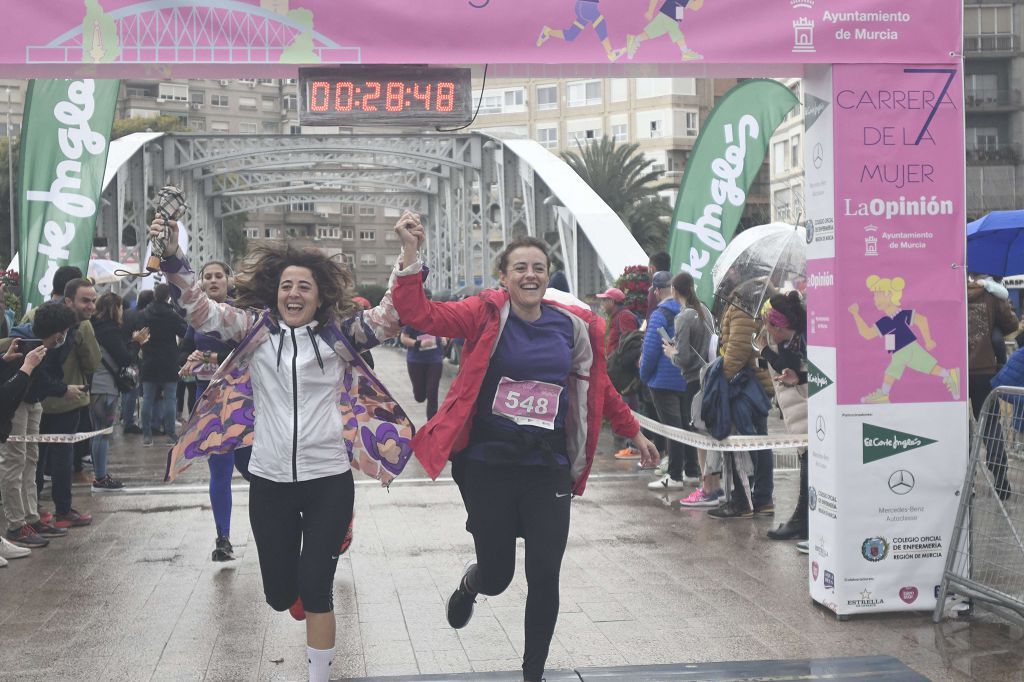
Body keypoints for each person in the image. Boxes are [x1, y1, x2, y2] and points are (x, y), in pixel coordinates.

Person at [150, 212, 417, 682]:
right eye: (286, 286)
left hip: (329, 481)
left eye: (304, 287)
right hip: (270, 481)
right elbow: (199, 309)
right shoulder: (253, 331)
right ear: (275, 292)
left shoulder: (339, 336)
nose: (294, 294)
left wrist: (408, 254)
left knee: (317, 588)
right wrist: (172, 256)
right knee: (278, 596)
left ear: (320, 296)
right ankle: (296, 592)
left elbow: (391, 316)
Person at [391, 224, 659, 682]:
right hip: (488, 465)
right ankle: (473, 583)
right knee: (498, 576)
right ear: (504, 276)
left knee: (545, 573)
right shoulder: (483, 314)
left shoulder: (570, 326)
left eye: (538, 267)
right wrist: (411, 252)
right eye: (520, 268)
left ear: (548, 276)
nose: (530, 275)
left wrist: (632, 430)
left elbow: (596, 385)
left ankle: (533, 673)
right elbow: (420, 314)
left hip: (546, 466)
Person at [177, 260, 253, 561]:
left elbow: (247, 351)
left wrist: (209, 356)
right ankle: (223, 538)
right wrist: (188, 360)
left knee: (251, 469)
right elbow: (183, 350)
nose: (212, 281)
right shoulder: (197, 317)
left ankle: (287, 512)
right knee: (219, 469)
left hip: (240, 399)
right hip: (207, 397)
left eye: (218, 276)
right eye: (207, 276)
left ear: (228, 280)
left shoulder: (241, 314)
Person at [0, 302, 77, 548]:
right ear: (57, 332)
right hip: (17, 405)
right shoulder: (23, 344)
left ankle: (31, 517)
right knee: (14, 462)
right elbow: (16, 384)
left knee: (31, 460)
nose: (65, 336)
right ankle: (16, 524)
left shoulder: (43, 345)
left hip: (33, 402)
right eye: (64, 331)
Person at [709, 281, 775, 519]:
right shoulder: (762, 301)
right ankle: (762, 499)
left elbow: (738, 349)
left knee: (741, 444)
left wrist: (720, 381)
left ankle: (742, 501)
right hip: (760, 383)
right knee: (760, 441)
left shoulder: (743, 305)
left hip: (743, 386)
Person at [38, 278, 99, 529]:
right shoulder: (81, 326)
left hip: (41, 400)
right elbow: (93, 363)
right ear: (68, 300)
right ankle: (61, 511)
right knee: (57, 458)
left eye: (93, 300)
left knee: (36, 459)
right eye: (85, 300)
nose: (91, 306)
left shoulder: (37, 313)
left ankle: (35, 510)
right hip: (64, 399)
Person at [662, 272, 721, 507]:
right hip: (711, 376)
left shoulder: (684, 317)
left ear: (674, 291)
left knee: (699, 435)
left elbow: (684, 358)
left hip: (694, 381)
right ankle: (714, 486)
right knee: (710, 433)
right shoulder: (704, 310)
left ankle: (706, 489)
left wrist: (671, 353)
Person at [757, 293, 810, 541]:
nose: (766, 331)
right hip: (799, 405)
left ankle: (802, 520)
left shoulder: (806, 340)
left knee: (809, 459)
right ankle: (803, 520)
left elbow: (823, 374)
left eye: (768, 326)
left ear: (779, 327)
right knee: (806, 458)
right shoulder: (792, 341)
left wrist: (764, 350)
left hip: (807, 408)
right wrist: (798, 378)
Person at [642, 271, 699, 491]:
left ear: (658, 291)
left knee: (672, 429)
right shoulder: (692, 311)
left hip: (663, 381)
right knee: (687, 427)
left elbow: (650, 350)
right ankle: (692, 471)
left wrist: (645, 376)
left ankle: (674, 476)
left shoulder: (660, 314)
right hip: (687, 377)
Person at [967, 273, 1019, 499]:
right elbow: (1011, 324)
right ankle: (1000, 475)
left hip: (952, 372)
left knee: (958, 426)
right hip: (985, 369)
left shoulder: (950, 290)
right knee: (990, 423)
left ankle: (966, 481)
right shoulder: (991, 294)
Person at [90, 292, 149, 492]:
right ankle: (100, 478)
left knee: (97, 433)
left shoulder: (95, 326)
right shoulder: (110, 330)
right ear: (115, 308)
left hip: (96, 384)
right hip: (104, 385)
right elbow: (125, 358)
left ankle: (100, 475)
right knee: (103, 433)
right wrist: (137, 343)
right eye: (121, 307)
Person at [596, 286, 640, 460]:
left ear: (612, 302)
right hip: (617, 370)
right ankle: (627, 443)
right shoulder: (617, 317)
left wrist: (619, 361)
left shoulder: (624, 317)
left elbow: (631, 343)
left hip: (624, 374)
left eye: (604, 300)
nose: (602, 303)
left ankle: (632, 445)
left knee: (628, 406)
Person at [140, 283, 186, 447]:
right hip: (168, 360)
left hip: (148, 360)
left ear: (154, 295)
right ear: (168, 296)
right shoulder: (171, 315)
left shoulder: (144, 314)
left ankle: (147, 435)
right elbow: (184, 332)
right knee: (170, 399)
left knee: (147, 398)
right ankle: (171, 435)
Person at [399, 289, 446, 420]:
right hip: (416, 360)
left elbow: (444, 328)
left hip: (435, 359)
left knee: (432, 392)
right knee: (420, 397)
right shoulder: (413, 317)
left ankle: (432, 424)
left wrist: (444, 337)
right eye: (425, 299)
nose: (428, 302)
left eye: (429, 299)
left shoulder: (437, 314)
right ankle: (419, 392)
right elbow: (403, 338)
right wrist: (419, 343)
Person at [536, 0, 626, 62]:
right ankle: (610, 53)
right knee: (600, 22)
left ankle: (547, 32)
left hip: (584, 6)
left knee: (571, 35)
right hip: (586, 6)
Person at [120, 289, 154, 434]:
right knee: (132, 390)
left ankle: (125, 417)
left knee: (126, 388)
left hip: (123, 350)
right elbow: (143, 337)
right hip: (135, 353)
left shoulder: (127, 313)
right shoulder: (143, 316)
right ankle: (129, 422)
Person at [626, 0, 705, 61]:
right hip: (669, 12)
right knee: (674, 30)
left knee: (651, 32)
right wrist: (650, 11)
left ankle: (635, 39)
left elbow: (695, 7)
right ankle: (685, 52)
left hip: (674, 13)